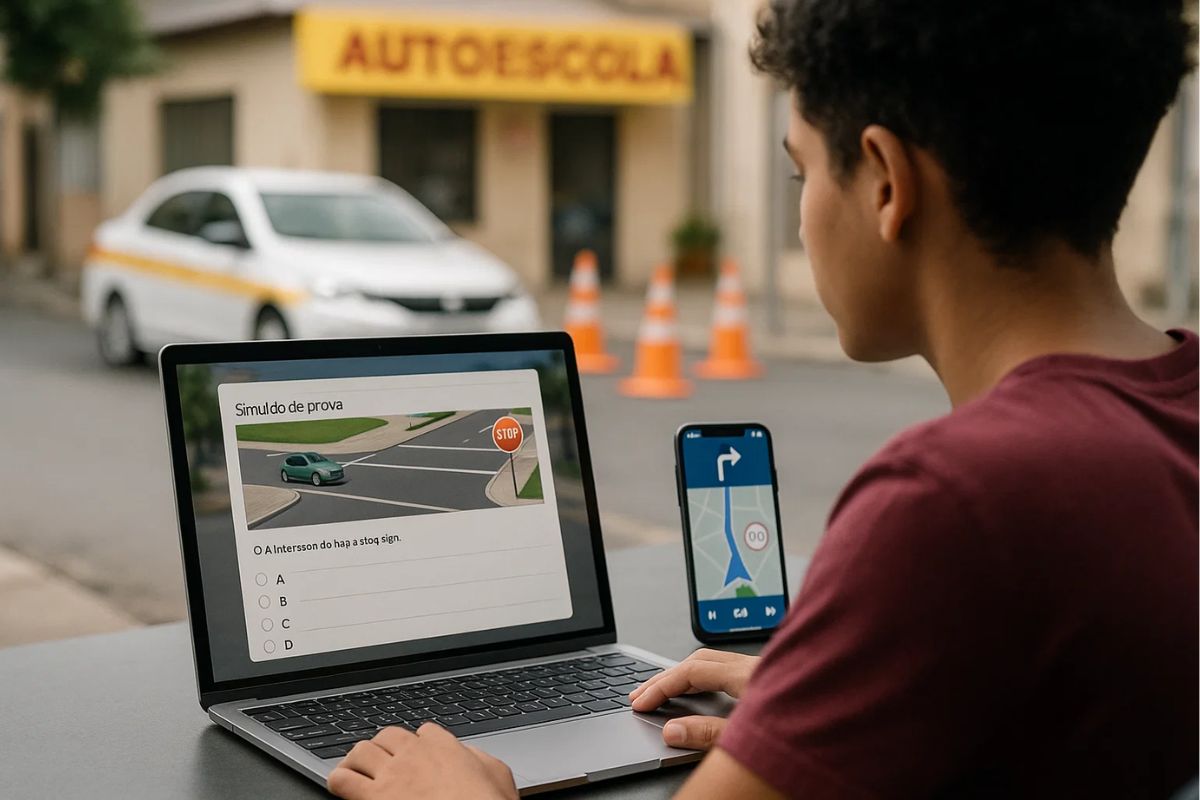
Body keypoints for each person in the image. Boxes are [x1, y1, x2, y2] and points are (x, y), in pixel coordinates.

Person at [327, 1, 1199, 797]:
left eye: (801, 174)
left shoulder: (960, 500)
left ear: (887, 183)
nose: (804, 209)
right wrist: (832, 702)